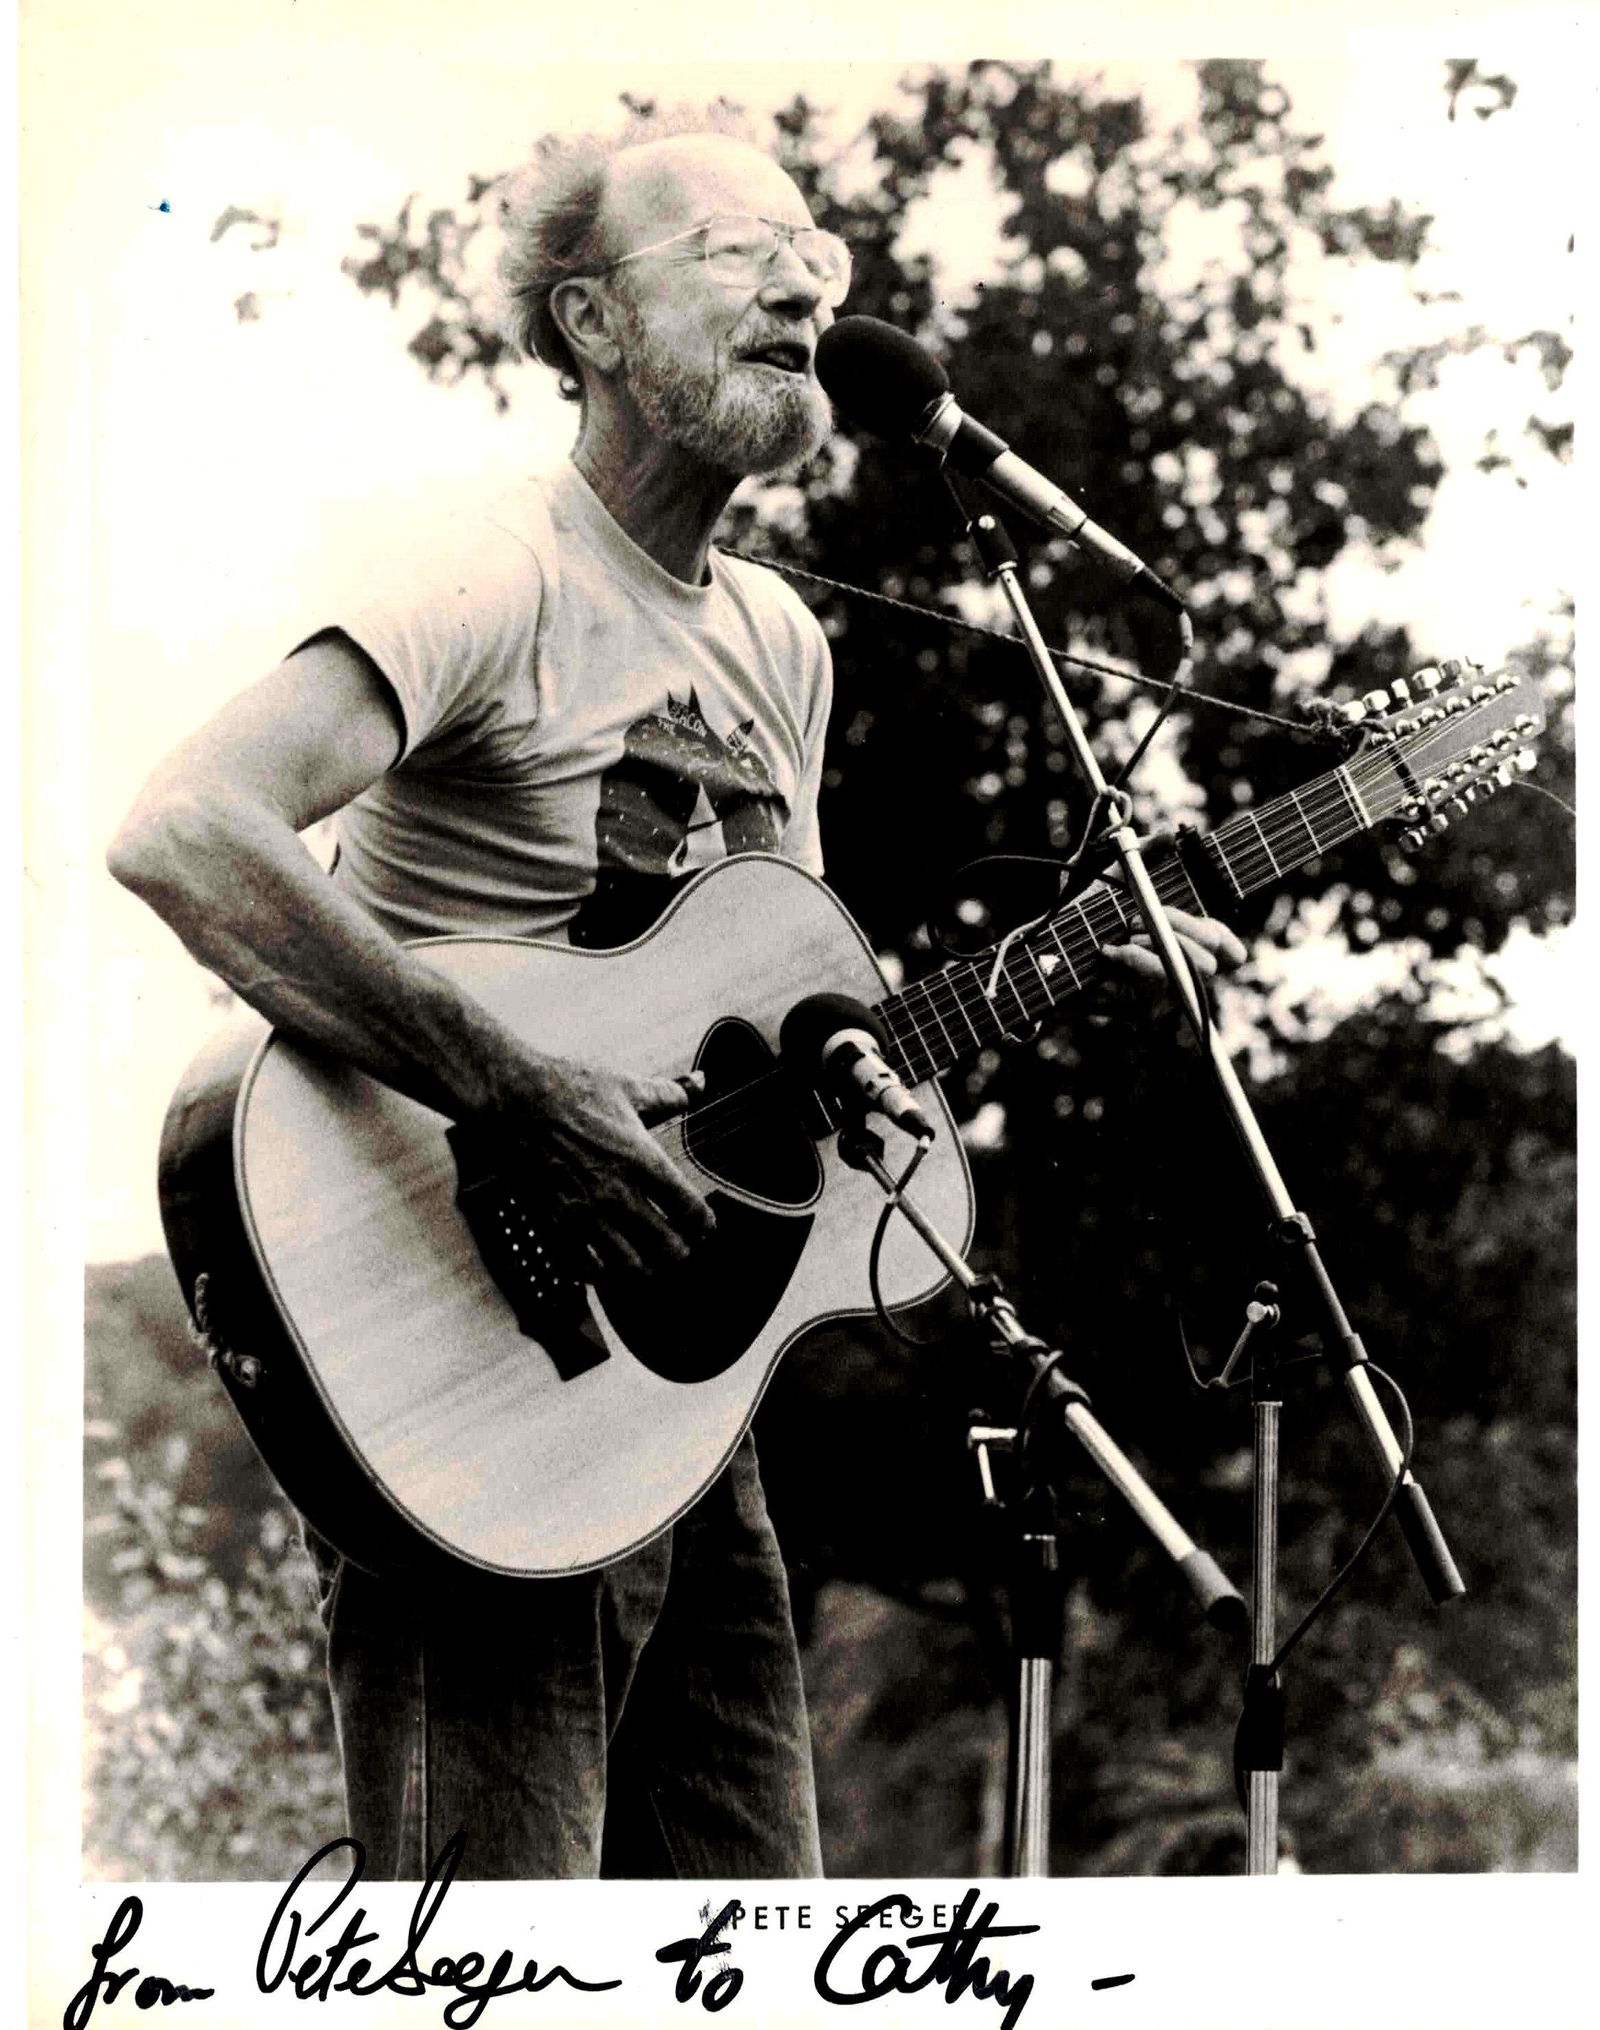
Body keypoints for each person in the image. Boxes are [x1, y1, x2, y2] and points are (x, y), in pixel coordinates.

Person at [109, 105, 1244, 1881]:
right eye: (736, 252)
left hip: (679, 1403)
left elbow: (789, 1012)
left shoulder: (782, 643)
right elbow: (187, 830)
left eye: (819, 255)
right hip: (456, 1376)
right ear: (591, 326)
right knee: (494, 1967)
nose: (804, 284)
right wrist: (515, 1091)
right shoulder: (491, 570)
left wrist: (1037, 973)